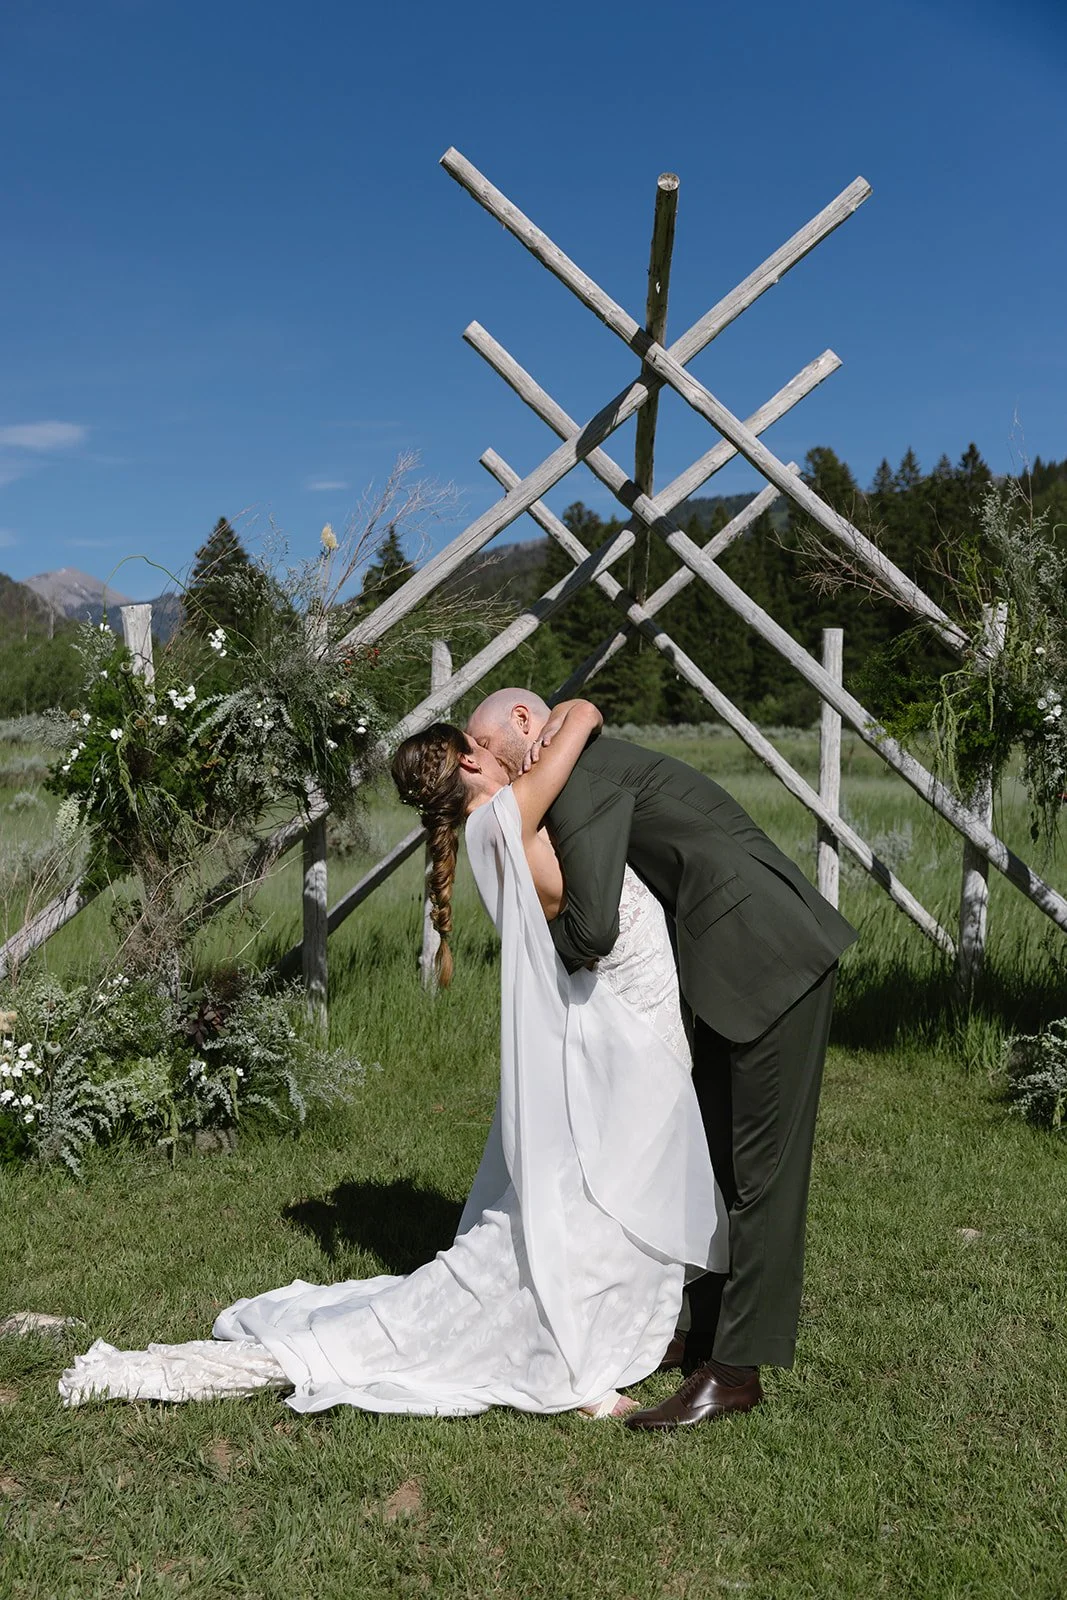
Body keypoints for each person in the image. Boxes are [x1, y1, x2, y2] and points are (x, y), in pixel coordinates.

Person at [59, 700, 726, 1418]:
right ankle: (572, 1343)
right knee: (614, 1176)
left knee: (614, 1173)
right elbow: (575, 730)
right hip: (621, 1010)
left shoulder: (488, 830)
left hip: (622, 1004)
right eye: (478, 743)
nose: (496, 751)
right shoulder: (507, 816)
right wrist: (576, 711)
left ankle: (615, 1319)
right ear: (470, 762)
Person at [465, 688, 858, 1431]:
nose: (485, 769)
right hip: (725, 967)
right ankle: (697, 1332)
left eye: (485, 751)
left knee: (760, 1175)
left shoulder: (577, 779)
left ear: (524, 724)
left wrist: (534, 950)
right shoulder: (575, 762)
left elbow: (591, 925)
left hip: (767, 957)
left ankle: (735, 1370)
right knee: (710, 1161)